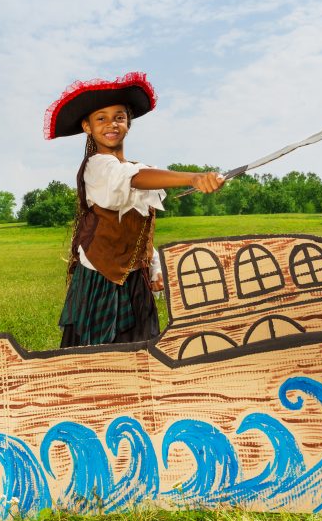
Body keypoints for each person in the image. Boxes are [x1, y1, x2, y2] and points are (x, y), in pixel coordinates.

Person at [43, 72, 225, 347]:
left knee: (142, 354)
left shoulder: (139, 168)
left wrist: (155, 268)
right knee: (96, 359)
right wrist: (193, 178)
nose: (111, 124)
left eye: (119, 116)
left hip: (134, 282)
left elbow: (139, 228)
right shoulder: (97, 166)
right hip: (100, 280)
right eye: (101, 118)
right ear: (87, 127)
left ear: (128, 123)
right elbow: (132, 179)